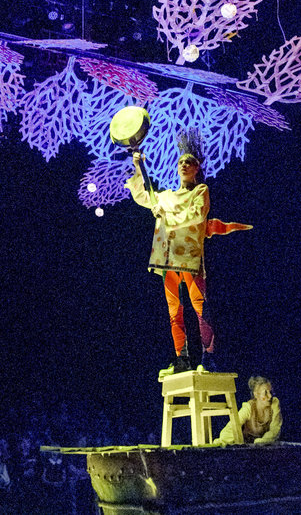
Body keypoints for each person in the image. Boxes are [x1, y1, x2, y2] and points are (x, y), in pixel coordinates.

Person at [125, 136, 216, 376]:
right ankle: (181, 358)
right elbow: (143, 196)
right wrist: (138, 167)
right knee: (174, 312)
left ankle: (209, 358)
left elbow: (196, 216)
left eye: (189, 162)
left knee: (200, 308)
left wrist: (165, 214)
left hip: (190, 259)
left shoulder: (200, 191)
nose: (184, 165)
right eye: (181, 162)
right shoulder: (165, 196)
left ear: (197, 168)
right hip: (168, 260)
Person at [214, 376, 282, 446]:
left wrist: (261, 442)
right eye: (265, 393)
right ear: (256, 395)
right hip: (246, 447)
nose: (270, 396)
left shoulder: (274, 403)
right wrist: (223, 442)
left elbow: (275, 430)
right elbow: (231, 428)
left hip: (264, 446)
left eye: (271, 392)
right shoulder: (248, 408)